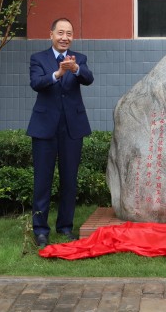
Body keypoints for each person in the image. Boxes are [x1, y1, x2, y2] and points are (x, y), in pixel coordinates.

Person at [27, 17, 94, 247]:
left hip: (72, 128)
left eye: (69, 34)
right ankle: (40, 230)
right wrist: (57, 74)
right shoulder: (38, 58)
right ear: (51, 35)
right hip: (44, 128)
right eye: (61, 33)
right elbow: (36, 83)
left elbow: (89, 78)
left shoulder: (79, 59)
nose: (65, 37)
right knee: (42, 180)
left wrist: (75, 69)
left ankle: (65, 227)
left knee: (69, 180)